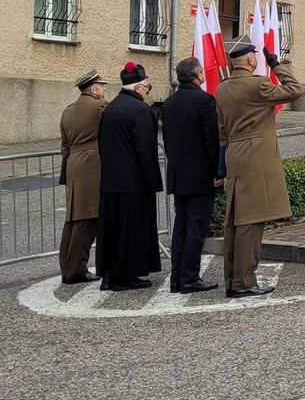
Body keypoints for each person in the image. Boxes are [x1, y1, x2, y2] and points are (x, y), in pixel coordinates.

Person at [216, 37, 305, 297]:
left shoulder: (222, 88)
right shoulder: (258, 84)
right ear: (251, 59)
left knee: (235, 219)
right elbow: (295, 89)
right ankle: (244, 282)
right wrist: (277, 65)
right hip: (256, 156)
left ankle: (234, 279)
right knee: (251, 222)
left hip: (236, 153)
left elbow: (222, 130)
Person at [96, 62, 163, 291]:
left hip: (111, 181)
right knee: (131, 231)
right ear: (137, 88)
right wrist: (153, 181)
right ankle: (126, 275)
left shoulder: (111, 108)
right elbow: (145, 149)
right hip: (134, 183)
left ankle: (109, 273)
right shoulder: (140, 110)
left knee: (112, 230)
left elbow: (102, 146)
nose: (148, 90)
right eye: (147, 86)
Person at [161, 58, 222, 294]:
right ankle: (189, 278)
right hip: (200, 176)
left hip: (178, 174)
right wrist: (218, 170)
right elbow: (211, 140)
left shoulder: (169, 102)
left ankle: (177, 278)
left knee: (181, 228)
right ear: (197, 74)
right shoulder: (205, 100)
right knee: (196, 229)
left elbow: (166, 141)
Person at [58, 69, 108, 284]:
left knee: (72, 217)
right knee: (87, 218)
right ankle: (76, 269)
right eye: (102, 87)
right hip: (92, 163)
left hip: (73, 164)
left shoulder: (68, 111)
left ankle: (67, 266)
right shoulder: (99, 106)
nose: (104, 90)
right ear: (94, 89)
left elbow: (64, 146)